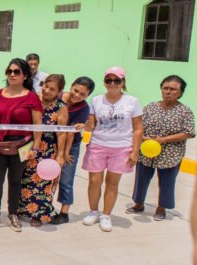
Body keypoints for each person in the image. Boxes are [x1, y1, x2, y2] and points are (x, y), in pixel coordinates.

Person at [82, 66, 143, 232]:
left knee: (112, 183)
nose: (112, 83)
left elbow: (138, 128)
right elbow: (91, 124)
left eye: (117, 80)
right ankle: (93, 211)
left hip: (121, 147)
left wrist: (135, 151)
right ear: (104, 82)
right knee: (94, 181)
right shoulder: (96, 100)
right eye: (109, 80)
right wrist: (87, 125)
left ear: (123, 82)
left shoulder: (132, 101)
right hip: (98, 145)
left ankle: (106, 215)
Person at [0, 58, 43, 232]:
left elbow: (37, 125)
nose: (12, 74)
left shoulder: (32, 97)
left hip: (22, 146)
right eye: (9, 71)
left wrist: (35, 148)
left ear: (25, 75)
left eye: (16, 72)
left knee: (16, 180)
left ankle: (13, 213)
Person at [128, 75, 194, 221]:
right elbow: (138, 126)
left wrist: (164, 139)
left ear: (180, 92)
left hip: (171, 153)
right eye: (165, 88)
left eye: (173, 89)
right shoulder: (150, 107)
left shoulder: (185, 111)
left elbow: (188, 132)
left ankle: (161, 208)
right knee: (141, 178)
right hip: (146, 150)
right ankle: (138, 204)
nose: (168, 92)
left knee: (167, 181)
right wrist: (143, 138)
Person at [18, 74, 68, 227]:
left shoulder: (60, 107)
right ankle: (20, 210)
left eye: (52, 89)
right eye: (46, 86)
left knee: (43, 183)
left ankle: (38, 215)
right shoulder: (34, 100)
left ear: (59, 92)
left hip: (47, 150)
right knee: (24, 179)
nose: (47, 90)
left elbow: (61, 133)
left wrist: (60, 155)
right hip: (28, 146)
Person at [51, 77, 94, 225]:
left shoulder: (84, 109)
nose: (77, 95)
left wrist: (64, 154)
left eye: (82, 94)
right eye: (76, 90)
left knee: (66, 179)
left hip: (71, 147)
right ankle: (45, 207)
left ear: (87, 96)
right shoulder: (57, 97)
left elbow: (70, 133)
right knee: (48, 177)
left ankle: (64, 213)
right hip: (50, 143)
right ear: (71, 86)